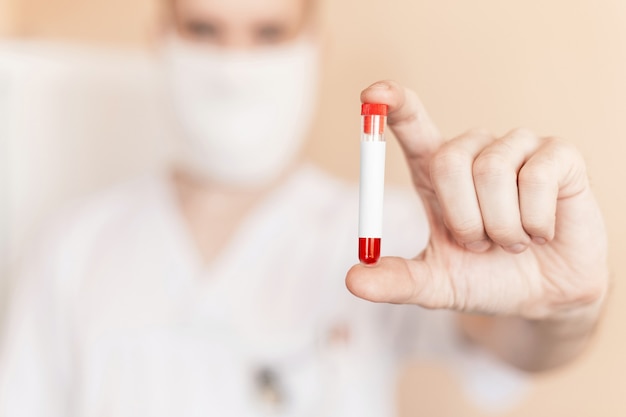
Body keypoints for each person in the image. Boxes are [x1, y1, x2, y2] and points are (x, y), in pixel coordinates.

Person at [0, 0, 609, 415]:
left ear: (314, 44)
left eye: (268, 33)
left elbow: (516, 343)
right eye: (204, 30)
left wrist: (558, 309)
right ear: (162, 38)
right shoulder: (70, 248)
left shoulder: (400, 238)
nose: (235, 67)